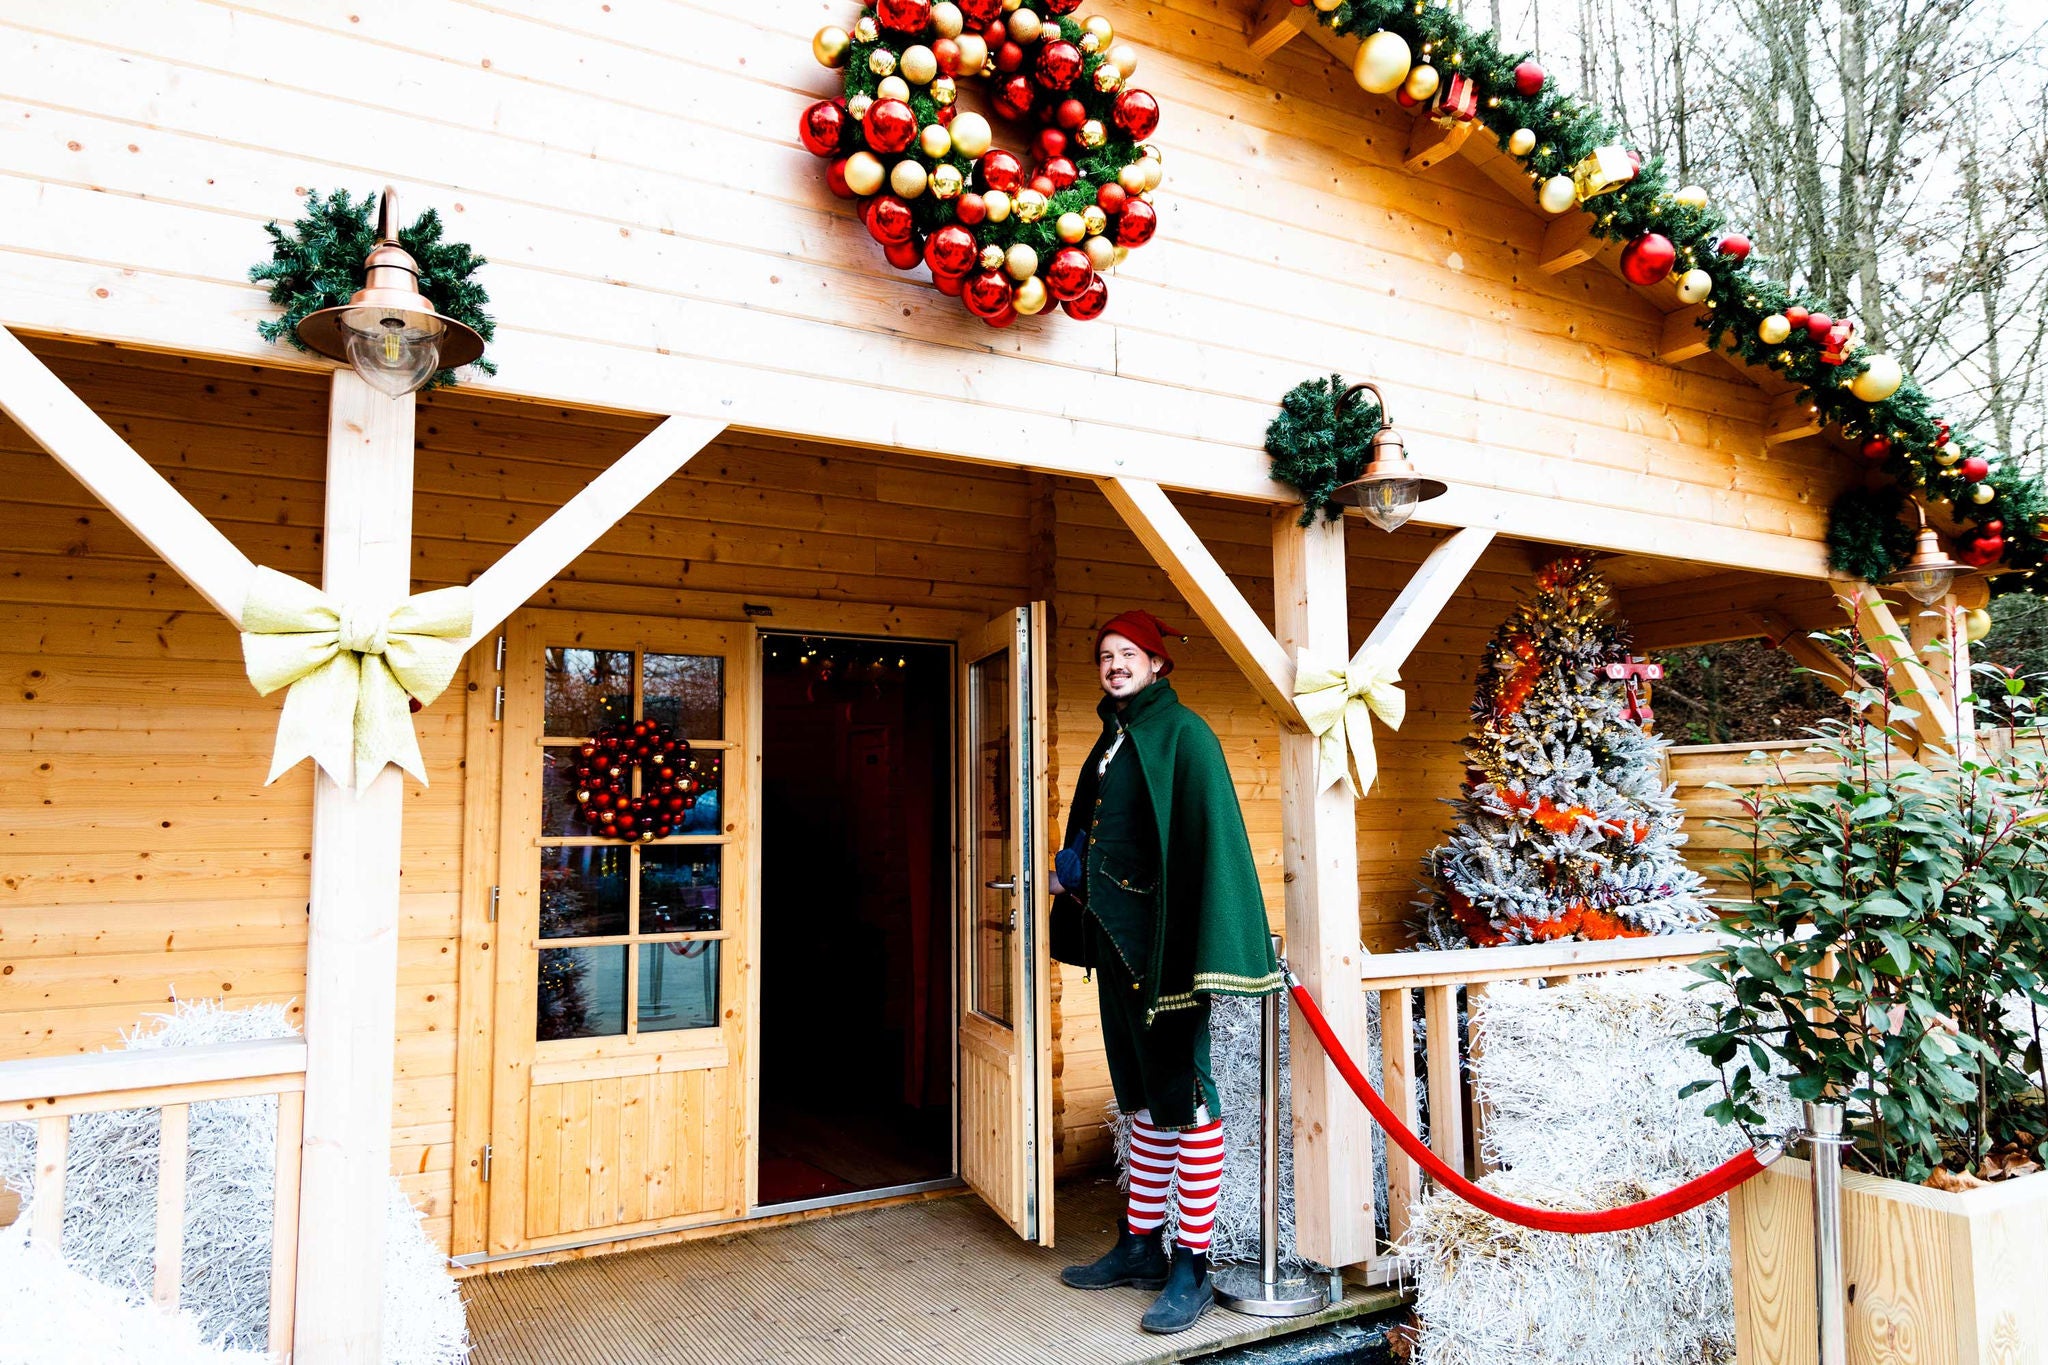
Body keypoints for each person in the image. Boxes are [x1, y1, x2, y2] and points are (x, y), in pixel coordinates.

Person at [1050, 609, 1282, 1334]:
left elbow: (1208, 845)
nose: (1115, 664)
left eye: (1128, 654)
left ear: (1157, 664)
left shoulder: (1186, 736)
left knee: (1189, 1101)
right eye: (1105, 654)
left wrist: (1208, 945)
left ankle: (1194, 1262)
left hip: (1166, 953)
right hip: (1117, 949)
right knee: (1144, 1102)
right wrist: (1077, 870)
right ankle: (1142, 1245)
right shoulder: (1112, 741)